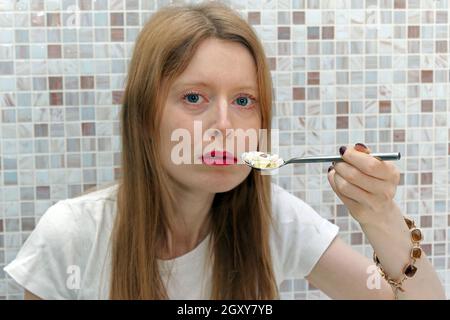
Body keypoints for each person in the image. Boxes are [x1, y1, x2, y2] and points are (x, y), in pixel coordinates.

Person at [4, 1, 445, 300]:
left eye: (243, 101)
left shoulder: (275, 220)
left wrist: (380, 216)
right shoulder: (72, 235)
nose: (225, 125)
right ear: (143, 118)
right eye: (194, 98)